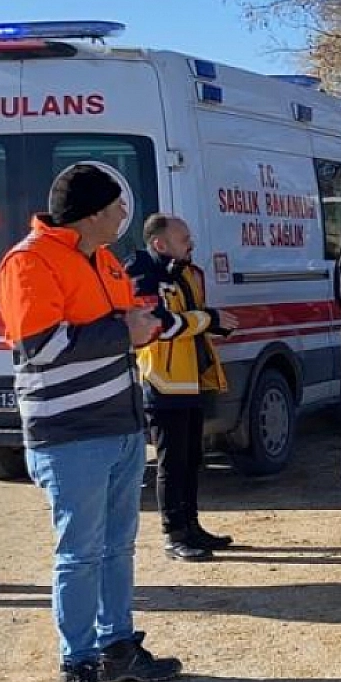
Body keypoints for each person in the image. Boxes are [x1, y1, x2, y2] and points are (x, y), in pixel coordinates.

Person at [0, 163, 182, 682]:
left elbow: (121, 325)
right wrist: (125, 330)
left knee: (118, 547)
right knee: (79, 555)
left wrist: (145, 323)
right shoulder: (28, 261)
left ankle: (117, 647)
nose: (126, 216)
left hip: (120, 427)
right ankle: (77, 665)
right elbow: (41, 346)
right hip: (69, 434)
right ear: (95, 214)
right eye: (119, 208)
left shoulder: (102, 259)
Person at [126, 215, 240, 562]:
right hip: (162, 383)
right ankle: (174, 535)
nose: (191, 244)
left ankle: (192, 526)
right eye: (184, 238)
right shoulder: (143, 272)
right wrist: (207, 319)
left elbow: (188, 317)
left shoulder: (183, 272)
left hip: (190, 380)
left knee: (191, 461)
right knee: (172, 463)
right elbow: (158, 324)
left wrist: (212, 323)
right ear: (159, 243)